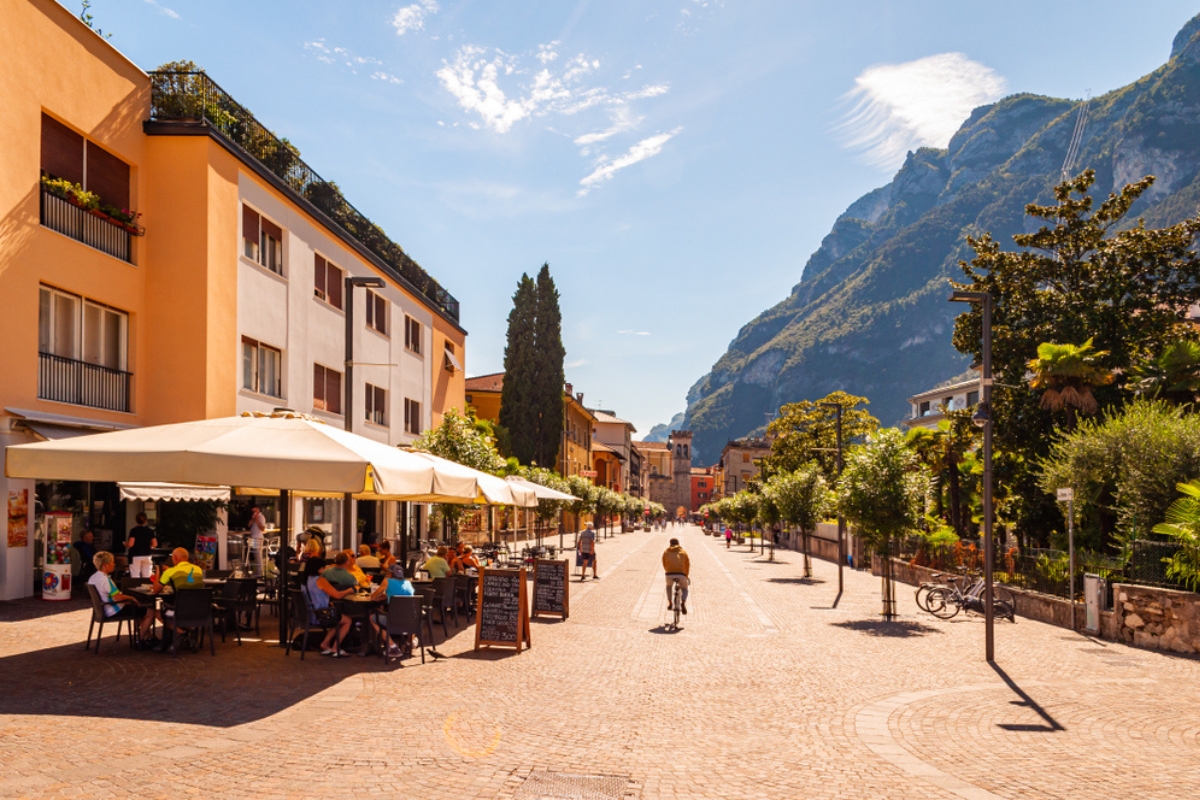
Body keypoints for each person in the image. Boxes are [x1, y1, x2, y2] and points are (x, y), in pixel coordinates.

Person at [89, 551, 158, 645]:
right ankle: (140, 639)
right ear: (105, 565)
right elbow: (118, 597)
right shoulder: (105, 580)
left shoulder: (93, 577)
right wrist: (131, 598)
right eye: (112, 562)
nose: (114, 565)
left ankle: (147, 636)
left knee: (140, 610)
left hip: (103, 609)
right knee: (150, 612)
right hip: (114, 610)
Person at [301, 557, 353, 657]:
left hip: (310, 614)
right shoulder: (320, 580)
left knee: (338, 619)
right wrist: (349, 590)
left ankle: (325, 643)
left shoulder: (305, 581)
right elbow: (337, 595)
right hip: (322, 615)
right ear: (319, 568)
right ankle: (335, 647)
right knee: (347, 620)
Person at [368, 563, 416, 659]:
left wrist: (375, 596)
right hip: (411, 620)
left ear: (390, 574)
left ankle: (393, 647)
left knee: (372, 617)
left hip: (394, 621)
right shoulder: (408, 583)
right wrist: (387, 596)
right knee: (410, 615)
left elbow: (373, 597)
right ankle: (409, 644)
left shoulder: (387, 581)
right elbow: (402, 596)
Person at [662, 538, 690, 614]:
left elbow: (664, 563)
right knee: (684, 589)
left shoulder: (666, 551)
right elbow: (687, 565)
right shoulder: (683, 552)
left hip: (669, 574)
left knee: (668, 586)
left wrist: (668, 570)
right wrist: (686, 575)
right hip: (681, 574)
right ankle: (683, 602)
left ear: (670, 544)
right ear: (678, 543)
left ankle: (670, 603)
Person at [126, 513, 157, 579]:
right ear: (146, 520)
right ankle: (146, 585)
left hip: (135, 555)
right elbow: (155, 544)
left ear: (136, 520)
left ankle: (136, 585)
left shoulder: (134, 531)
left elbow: (131, 544)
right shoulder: (150, 531)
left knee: (135, 575)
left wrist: (125, 544)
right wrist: (148, 546)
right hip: (147, 554)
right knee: (147, 575)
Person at [247, 503, 267, 576]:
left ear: (258, 510)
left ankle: (259, 572)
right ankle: (258, 571)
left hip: (258, 537)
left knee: (258, 554)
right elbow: (249, 525)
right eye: (253, 511)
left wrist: (257, 520)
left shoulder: (261, 517)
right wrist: (253, 519)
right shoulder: (254, 517)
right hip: (253, 537)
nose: (253, 512)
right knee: (255, 555)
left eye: (255, 511)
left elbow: (262, 528)